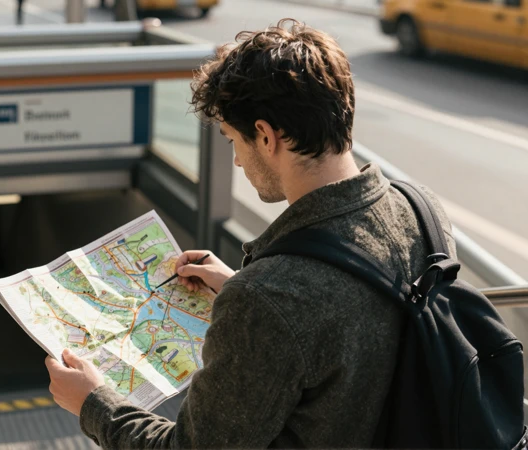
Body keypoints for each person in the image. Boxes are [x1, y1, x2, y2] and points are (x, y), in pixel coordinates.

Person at [45, 18, 457, 448]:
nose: (238, 162)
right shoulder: (421, 208)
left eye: (232, 140)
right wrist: (243, 286)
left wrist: (93, 402)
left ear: (264, 136)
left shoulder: (271, 298)